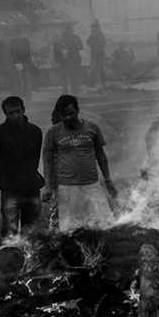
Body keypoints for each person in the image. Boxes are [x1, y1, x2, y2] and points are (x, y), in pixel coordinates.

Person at [41, 94, 116, 231]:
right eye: (64, 115)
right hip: (67, 187)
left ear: (77, 110)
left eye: (71, 113)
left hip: (91, 184)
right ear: (59, 115)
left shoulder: (92, 128)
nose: (68, 118)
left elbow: (100, 155)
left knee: (103, 224)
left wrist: (108, 180)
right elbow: (47, 161)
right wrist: (48, 187)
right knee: (71, 229)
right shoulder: (53, 132)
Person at [0, 96, 44, 237]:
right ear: (6, 114)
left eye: (18, 111)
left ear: (24, 110)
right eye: (11, 113)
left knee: (31, 231)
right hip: (10, 188)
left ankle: (31, 258)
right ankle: (9, 257)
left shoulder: (35, 131)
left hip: (31, 187)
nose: (15, 116)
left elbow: (35, 157)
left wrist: (31, 176)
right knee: (10, 230)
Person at [56, 24, 84, 93]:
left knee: (74, 75)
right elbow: (60, 49)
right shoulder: (62, 39)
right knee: (66, 75)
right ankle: (67, 89)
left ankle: (74, 88)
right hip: (66, 59)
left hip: (74, 59)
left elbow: (81, 47)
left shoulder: (76, 38)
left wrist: (74, 46)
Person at [7, 29, 33, 98]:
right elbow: (29, 51)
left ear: (15, 33)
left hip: (17, 62)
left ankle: (20, 95)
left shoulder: (13, 41)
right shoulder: (26, 40)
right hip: (26, 62)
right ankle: (28, 96)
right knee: (27, 79)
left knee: (19, 80)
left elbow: (12, 52)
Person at [87, 21, 107, 89]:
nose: (92, 30)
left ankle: (103, 83)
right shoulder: (91, 35)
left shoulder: (101, 35)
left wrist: (94, 37)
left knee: (101, 69)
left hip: (100, 55)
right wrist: (91, 37)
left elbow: (102, 44)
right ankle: (92, 83)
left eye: (93, 29)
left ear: (97, 28)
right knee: (92, 69)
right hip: (93, 55)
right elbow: (88, 43)